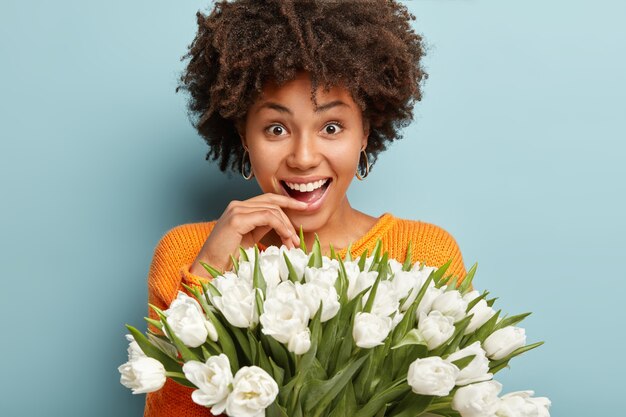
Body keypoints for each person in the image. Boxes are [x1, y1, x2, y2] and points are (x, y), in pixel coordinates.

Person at [143, 1, 468, 416]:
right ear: (244, 136)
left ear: (365, 133)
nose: (303, 157)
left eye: (331, 127)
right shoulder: (186, 253)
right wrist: (206, 275)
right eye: (276, 129)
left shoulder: (427, 255)